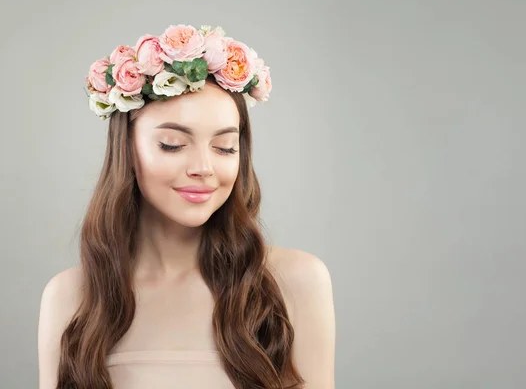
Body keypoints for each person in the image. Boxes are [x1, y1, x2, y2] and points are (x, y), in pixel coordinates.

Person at [37, 24, 335, 389]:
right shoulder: (72, 296)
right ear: (127, 151)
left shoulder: (295, 281)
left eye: (225, 148)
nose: (204, 168)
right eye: (172, 144)